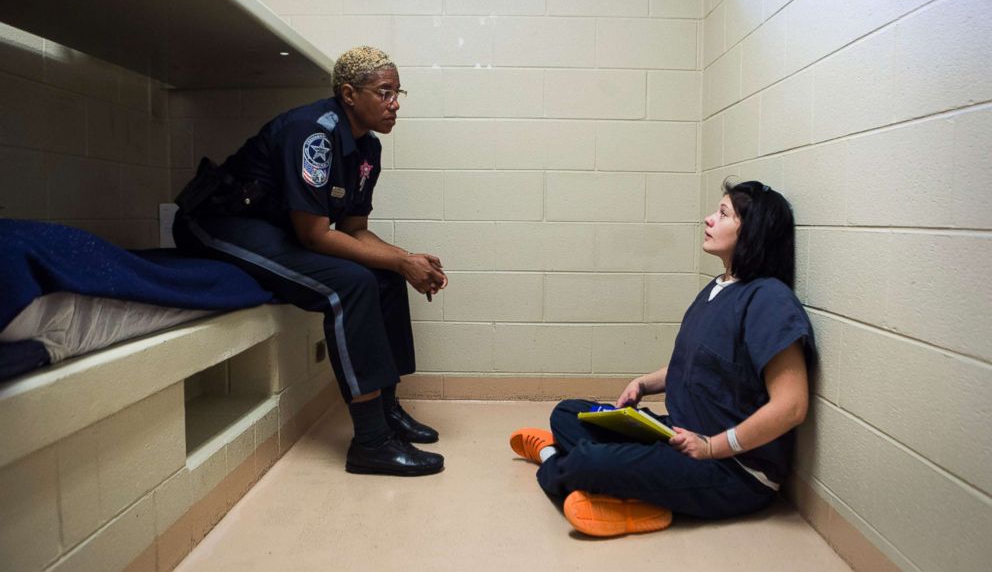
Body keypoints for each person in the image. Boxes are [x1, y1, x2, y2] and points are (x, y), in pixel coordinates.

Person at [173, 46, 448, 476]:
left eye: (398, 93)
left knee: (384, 279)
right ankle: (371, 443)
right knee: (352, 283)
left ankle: (389, 412)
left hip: (278, 227)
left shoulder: (368, 149)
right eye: (384, 92)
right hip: (220, 221)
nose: (395, 103)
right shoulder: (313, 133)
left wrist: (403, 260)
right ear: (349, 95)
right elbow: (314, 235)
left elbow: (355, 229)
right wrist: (400, 261)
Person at [509, 180, 816, 536]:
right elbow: (698, 364)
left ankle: (553, 459)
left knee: (587, 461)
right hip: (678, 435)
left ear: (753, 231)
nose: (708, 219)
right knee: (567, 412)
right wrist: (643, 383)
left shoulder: (769, 300)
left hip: (733, 470)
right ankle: (621, 490)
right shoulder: (718, 287)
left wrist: (713, 446)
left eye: (723, 213)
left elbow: (792, 406)